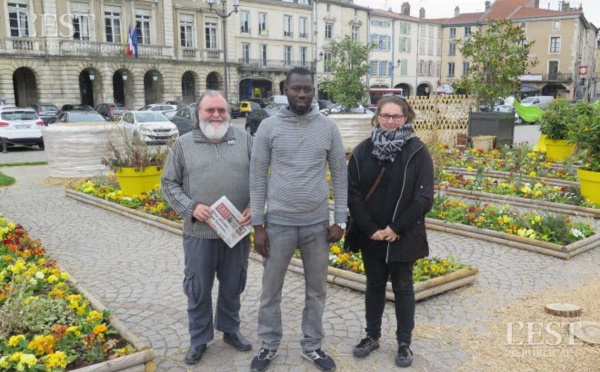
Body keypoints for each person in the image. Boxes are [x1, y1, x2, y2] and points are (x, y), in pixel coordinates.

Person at [249, 66, 347, 372]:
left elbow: (340, 176)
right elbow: (257, 177)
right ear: (285, 90)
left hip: (317, 226)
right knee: (270, 290)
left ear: (314, 91)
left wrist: (340, 220)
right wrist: (258, 225)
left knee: (316, 289)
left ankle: (312, 345)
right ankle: (268, 344)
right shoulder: (268, 127)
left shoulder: (328, 127)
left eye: (307, 89)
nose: (302, 94)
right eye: (296, 89)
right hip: (277, 224)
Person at [161, 90, 254, 365]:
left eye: (221, 110)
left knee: (233, 283)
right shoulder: (183, 145)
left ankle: (230, 328)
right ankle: (199, 337)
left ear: (229, 112)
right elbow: (168, 184)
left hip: (236, 232)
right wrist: (191, 208)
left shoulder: (246, 141)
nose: (216, 115)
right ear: (198, 113)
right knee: (198, 287)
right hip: (199, 234)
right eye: (210, 110)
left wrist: (256, 207)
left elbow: (262, 178)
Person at [346, 96, 434, 368]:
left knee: (403, 288)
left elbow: (424, 197)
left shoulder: (417, 152)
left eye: (396, 116)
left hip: (403, 235)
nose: (390, 121)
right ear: (377, 116)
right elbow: (354, 194)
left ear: (406, 118)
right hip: (372, 235)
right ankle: (372, 336)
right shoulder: (363, 151)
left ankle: (404, 343)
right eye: (386, 115)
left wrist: (396, 228)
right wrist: (371, 229)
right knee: (373, 286)